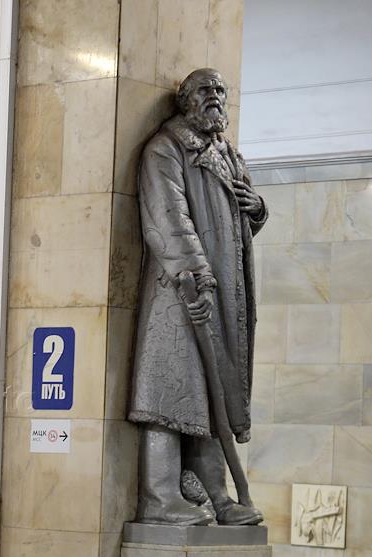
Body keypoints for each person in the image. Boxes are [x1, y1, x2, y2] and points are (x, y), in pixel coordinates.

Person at [128, 67, 267, 527]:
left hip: (224, 295)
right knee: (169, 395)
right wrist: (196, 275)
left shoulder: (228, 155)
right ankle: (161, 498)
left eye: (221, 90)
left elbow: (234, 221)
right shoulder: (166, 149)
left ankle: (218, 498)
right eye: (206, 90)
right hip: (181, 292)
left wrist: (257, 209)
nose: (216, 97)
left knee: (211, 397)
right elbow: (168, 216)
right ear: (185, 99)